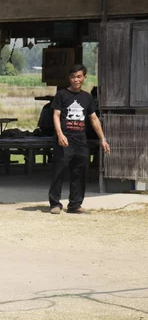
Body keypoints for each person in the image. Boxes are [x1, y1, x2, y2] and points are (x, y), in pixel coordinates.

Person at [49, 64, 110, 214]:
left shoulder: (87, 97)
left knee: (80, 172)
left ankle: (75, 204)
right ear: (69, 78)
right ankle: (55, 203)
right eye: (72, 77)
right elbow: (56, 116)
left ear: (84, 78)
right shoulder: (61, 95)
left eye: (78, 77)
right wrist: (60, 134)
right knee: (59, 170)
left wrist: (102, 139)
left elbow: (94, 119)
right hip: (64, 140)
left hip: (81, 141)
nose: (75, 80)